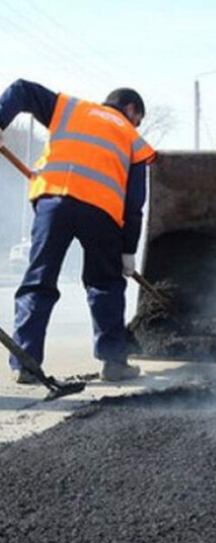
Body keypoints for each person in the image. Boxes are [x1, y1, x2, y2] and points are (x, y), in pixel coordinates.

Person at [0, 80, 156, 383]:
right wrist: (128, 250)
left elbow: (21, 89)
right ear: (131, 109)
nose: (137, 124)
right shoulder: (132, 138)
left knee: (38, 282)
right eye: (139, 120)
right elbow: (135, 203)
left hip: (53, 204)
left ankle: (26, 363)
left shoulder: (70, 108)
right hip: (102, 213)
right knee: (105, 284)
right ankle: (114, 363)